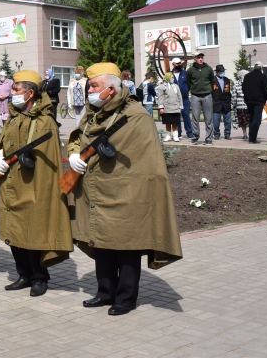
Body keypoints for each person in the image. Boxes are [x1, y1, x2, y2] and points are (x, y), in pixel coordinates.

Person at [67, 62, 182, 316]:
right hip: (96, 190)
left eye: (94, 86)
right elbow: (77, 138)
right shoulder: (92, 113)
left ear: (111, 88)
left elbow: (144, 161)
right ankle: (105, 292)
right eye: (89, 86)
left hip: (127, 191)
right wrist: (75, 154)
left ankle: (126, 297)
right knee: (103, 244)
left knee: (127, 245)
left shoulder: (136, 116)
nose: (90, 91)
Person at [0, 69, 73, 297]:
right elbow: (5, 143)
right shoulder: (14, 117)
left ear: (30, 93)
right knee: (15, 231)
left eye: (16, 89)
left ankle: (39, 276)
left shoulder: (44, 122)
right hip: (11, 184)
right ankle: (24, 274)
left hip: (33, 186)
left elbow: (48, 162)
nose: (12, 93)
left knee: (34, 232)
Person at [186, 52, 217, 144]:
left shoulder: (209, 69)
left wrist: (212, 93)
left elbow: (213, 81)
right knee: (195, 117)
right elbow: (188, 83)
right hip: (195, 96)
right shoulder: (190, 70)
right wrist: (192, 90)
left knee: (209, 118)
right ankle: (195, 136)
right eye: (198, 57)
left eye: (202, 57)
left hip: (207, 95)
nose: (200, 59)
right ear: (194, 59)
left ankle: (208, 138)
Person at [242, 62, 267, 144]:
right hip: (259, 101)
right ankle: (252, 138)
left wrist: (246, 97)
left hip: (249, 101)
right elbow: (266, 89)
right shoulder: (263, 77)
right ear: (261, 68)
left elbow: (243, 88)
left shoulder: (247, 76)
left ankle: (251, 138)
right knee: (257, 120)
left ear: (254, 67)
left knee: (251, 118)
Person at [156, 72, 183, 142]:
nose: (172, 79)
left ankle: (175, 136)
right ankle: (168, 136)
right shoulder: (162, 87)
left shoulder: (176, 86)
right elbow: (160, 97)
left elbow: (179, 96)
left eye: (173, 77)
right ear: (167, 78)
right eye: (171, 77)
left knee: (175, 122)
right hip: (167, 108)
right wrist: (161, 107)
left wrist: (181, 106)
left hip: (176, 108)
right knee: (168, 123)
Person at [171, 58, 192, 138]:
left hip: (185, 98)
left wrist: (185, 90)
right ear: (173, 64)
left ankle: (189, 133)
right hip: (175, 100)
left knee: (186, 115)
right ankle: (178, 133)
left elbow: (189, 84)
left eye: (180, 63)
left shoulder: (185, 73)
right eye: (177, 63)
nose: (179, 64)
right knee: (177, 116)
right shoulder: (170, 74)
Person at [211, 65, 233, 140]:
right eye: (221, 71)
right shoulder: (212, 80)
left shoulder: (227, 80)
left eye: (223, 71)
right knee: (216, 121)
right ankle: (216, 134)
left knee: (227, 121)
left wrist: (230, 101)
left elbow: (228, 91)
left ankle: (227, 134)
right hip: (216, 104)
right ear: (217, 72)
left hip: (226, 103)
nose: (222, 73)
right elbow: (211, 92)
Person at [230, 69, 249, 141]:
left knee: (243, 121)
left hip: (240, 106)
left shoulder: (236, 84)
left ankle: (245, 134)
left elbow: (234, 96)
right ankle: (248, 133)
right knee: (248, 120)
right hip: (247, 105)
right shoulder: (250, 83)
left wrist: (233, 104)